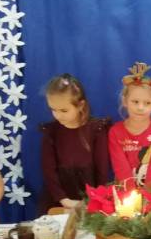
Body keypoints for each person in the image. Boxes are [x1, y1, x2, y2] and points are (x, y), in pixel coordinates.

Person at [39, 74, 111, 215]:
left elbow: (102, 170)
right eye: (53, 109)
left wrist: (96, 199)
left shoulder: (96, 130)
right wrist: (63, 200)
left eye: (64, 110)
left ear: (80, 105)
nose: (58, 115)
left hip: (91, 198)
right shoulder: (52, 132)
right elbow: (48, 170)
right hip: (58, 199)